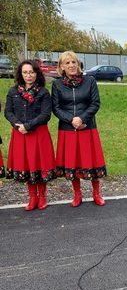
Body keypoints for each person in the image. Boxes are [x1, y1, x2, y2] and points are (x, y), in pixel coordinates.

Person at [51, 51, 106, 207]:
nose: (71, 65)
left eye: (73, 62)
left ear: (78, 64)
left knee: (93, 162)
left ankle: (96, 193)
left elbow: (95, 103)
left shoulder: (90, 81)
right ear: (62, 66)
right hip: (67, 130)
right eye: (67, 63)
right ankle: (77, 194)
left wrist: (82, 119)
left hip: (87, 127)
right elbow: (56, 108)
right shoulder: (57, 84)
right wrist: (72, 120)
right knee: (72, 163)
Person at [4, 59, 56, 210]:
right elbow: (8, 111)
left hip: (38, 134)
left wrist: (28, 126)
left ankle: (43, 197)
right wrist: (18, 125)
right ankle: (33, 197)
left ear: (37, 73)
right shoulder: (13, 92)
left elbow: (46, 114)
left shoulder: (44, 92)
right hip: (20, 134)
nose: (29, 75)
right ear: (20, 74)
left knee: (40, 165)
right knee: (27, 165)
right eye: (25, 72)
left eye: (31, 72)